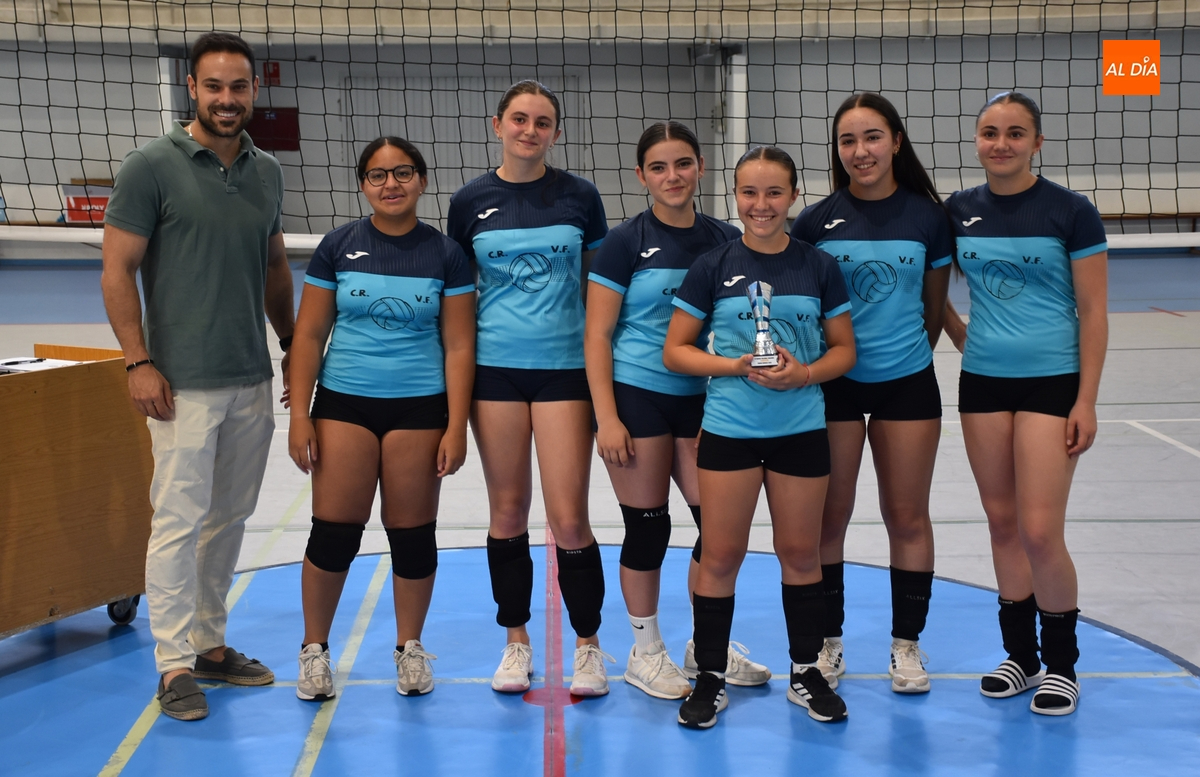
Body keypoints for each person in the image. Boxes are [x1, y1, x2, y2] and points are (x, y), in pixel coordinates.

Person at [100, 31, 294, 722]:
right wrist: (137, 360)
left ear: (253, 91)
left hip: (249, 376)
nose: (227, 99)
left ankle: (210, 642)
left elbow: (275, 266)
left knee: (230, 516)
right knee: (178, 522)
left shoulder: (267, 170)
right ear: (193, 89)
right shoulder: (150, 165)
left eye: (238, 87)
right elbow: (117, 270)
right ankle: (172, 661)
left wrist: (293, 344)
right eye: (214, 86)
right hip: (179, 382)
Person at [664, 146, 856, 729]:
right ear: (736, 197)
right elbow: (676, 351)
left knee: (801, 554)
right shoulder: (713, 267)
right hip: (730, 432)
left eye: (774, 193)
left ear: (793, 196)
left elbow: (845, 351)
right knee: (722, 555)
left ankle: (805, 671)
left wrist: (802, 374)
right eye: (750, 193)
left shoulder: (817, 265)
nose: (761, 204)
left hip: (800, 430)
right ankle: (711, 677)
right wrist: (736, 366)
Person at [585, 121, 770, 700]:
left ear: (702, 166)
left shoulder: (721, 238)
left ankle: (703, 646)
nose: (673, 176)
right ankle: (645, 651)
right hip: (637, 394)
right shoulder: (624, 242)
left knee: (718, 529)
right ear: (642, 176)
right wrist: (607, 417)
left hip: (703, 399)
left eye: (683, 164)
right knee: (648, 528)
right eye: (659, 167)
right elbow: (597, 334)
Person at [286, 137, 475, 701]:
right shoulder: (339, 246)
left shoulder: (446, 253)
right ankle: (314, 650)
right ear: (363, 184)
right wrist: (301, 414)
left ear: (421, 180)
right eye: (377, 175)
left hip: (419, 408)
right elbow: (310, 334)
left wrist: (456, 425)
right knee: (335, 533)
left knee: (412, 536)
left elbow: (459, 346)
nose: (390, 184)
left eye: (402, 173)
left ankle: (409, 648)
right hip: (346, 403)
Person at [445, 80, 612, 696]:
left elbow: (599, 291)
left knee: (569, 518)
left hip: (565, 371)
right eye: (520, 119)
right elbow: (457, 300)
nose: (530, 131)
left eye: (542, 123)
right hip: (496, 374)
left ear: (555, 133)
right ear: (498, 125)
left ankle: (589, 645)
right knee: (508, 510)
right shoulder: (470, 202)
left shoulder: (580, 197)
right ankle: (515, 642)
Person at [944, 92, 1107, 716]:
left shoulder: (1071, 211)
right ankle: (1021, 657)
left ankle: (1061, 663)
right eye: (990, 132)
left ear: (1037, 142)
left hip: (1052, 382)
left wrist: (1086, 399)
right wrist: (966, 339)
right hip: (984, 383)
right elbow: (935, 291)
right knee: (1002, 523)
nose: (1001, 144)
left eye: (1015, 133)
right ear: (977, 140)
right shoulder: (960, 211)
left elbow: (1093, 312)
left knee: (1040, 530)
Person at [790, 93, 953, 694]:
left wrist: (902, 360)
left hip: (906, 384)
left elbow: (932, 311)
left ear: (896, 142)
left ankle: (906, 646)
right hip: (833, 388)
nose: (861, 152)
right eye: (848, 141)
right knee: (829, 516)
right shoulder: (814, 222)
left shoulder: (927, 218)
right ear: (837, 151)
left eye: (872, 137)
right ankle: (828, 643)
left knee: (906, 515)